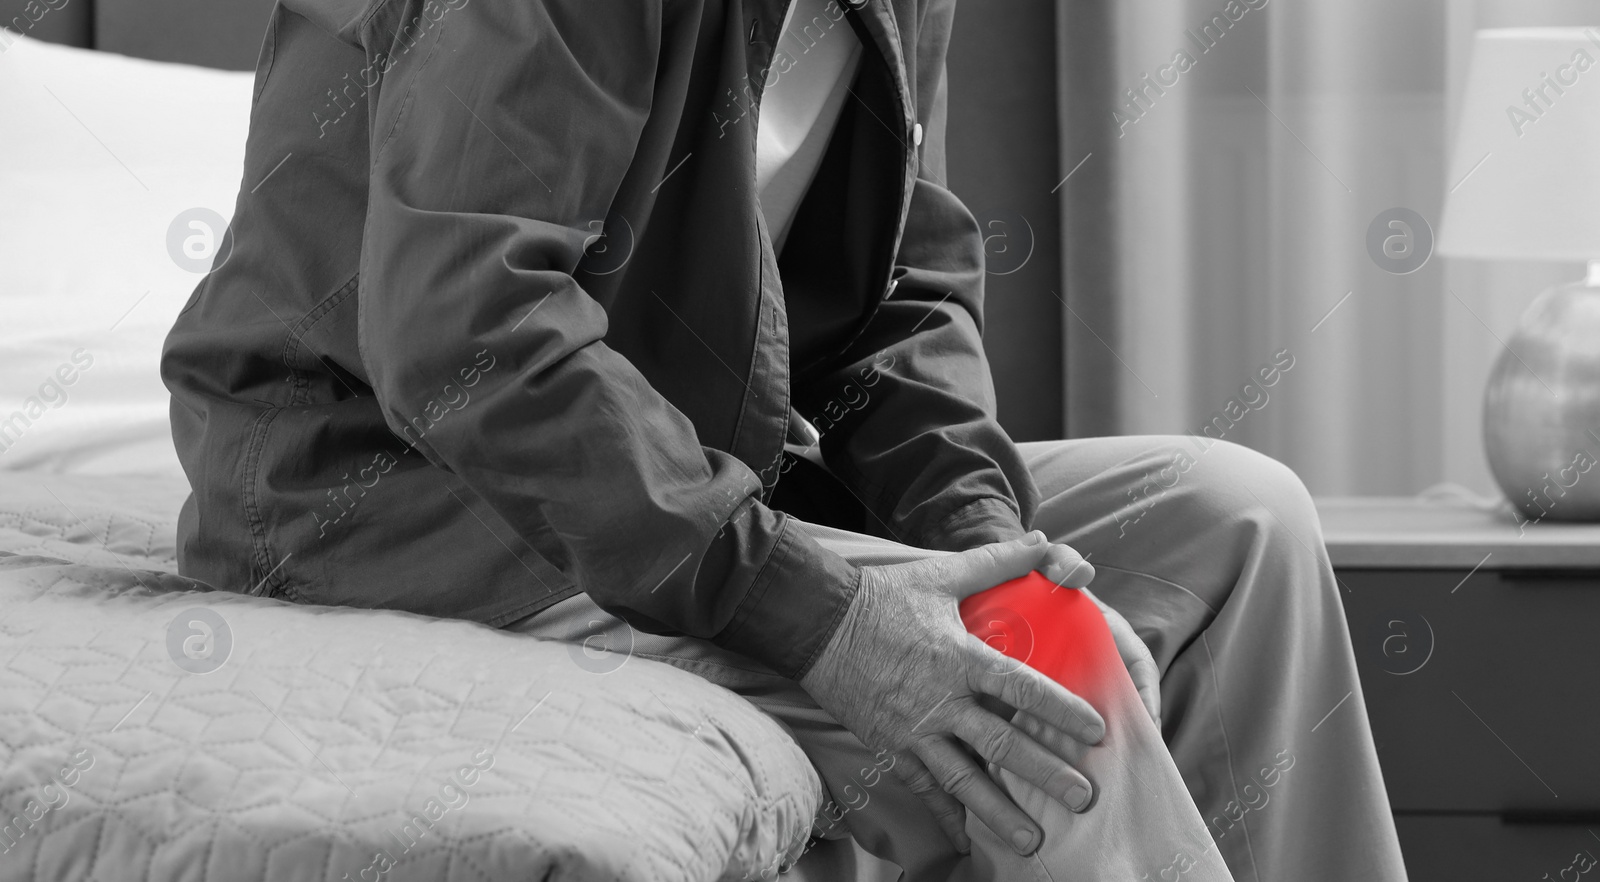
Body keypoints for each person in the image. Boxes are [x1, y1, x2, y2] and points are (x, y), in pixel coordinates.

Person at [161, 0, 1410, 878]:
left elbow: (894, 288)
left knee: (1239, 519)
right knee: (1051, 683)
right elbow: (463, 336)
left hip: (691, 452)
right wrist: (824, 616)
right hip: (405, 497)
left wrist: (984, 540)